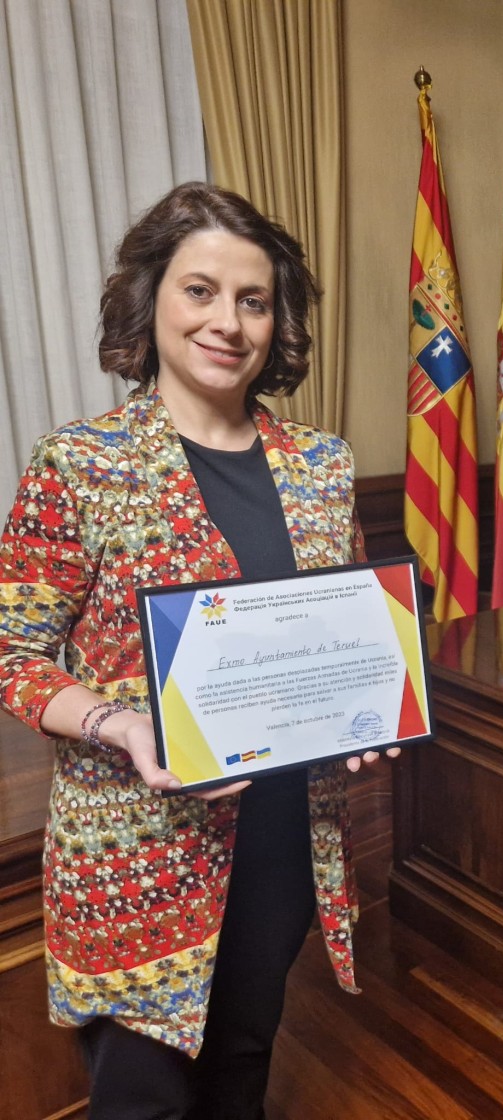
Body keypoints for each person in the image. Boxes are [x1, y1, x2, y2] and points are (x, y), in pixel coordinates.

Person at [0, 182, 395, 1119]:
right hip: (135, 854)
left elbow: (334, 631)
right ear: (152, 301)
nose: (228, 321)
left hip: (281, 841)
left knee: (240, 1076)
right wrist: (120, 724)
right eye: (201, 291)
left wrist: (363, 714)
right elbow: (11, 651)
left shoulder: (323, 465)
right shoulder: (79, 464)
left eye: (253, 300)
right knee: (144, 1106)